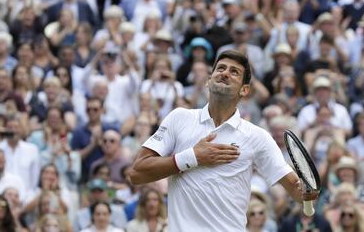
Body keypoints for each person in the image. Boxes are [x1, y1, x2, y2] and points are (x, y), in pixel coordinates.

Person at [128, 50, 319, 231]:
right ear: (208, 81)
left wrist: (307, 192)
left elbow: (296, 188)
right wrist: (193, 157)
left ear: (244, 90)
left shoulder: (257, 137)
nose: (225, 73)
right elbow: (137, 173)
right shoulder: (179, 118)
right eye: (220, 68)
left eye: (234, 71)